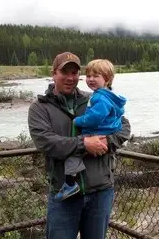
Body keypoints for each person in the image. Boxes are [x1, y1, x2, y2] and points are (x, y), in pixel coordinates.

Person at [27, 52, 131, 239]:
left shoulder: (94, 99)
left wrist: (104, 142)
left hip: (101, 191)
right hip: (63, 194)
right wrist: (84, 144)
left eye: (74, 73)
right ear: (54, 73)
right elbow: (46, 142)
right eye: (64, 72)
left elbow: (124, 127)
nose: (70, 78)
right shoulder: (40, 107)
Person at [55, 58, 126, 201]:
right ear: (54, 74)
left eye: (96, 76)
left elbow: (95, 117)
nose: (91, 79)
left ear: (107, 79)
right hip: (107, 130)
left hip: (97, 133)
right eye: (88, 76)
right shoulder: (110, 96)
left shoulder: (99, 97)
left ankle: (70, 184)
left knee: (74, 155)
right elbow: (119, 115)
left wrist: (78, 121)